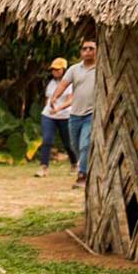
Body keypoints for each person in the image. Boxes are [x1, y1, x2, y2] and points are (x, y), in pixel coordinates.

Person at [48, 40, 97, 188]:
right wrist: (54, 97)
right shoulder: (74, 69)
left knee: (84, 144)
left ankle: (82, 175)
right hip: (75, 114)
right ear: (81, 52)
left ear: (97, 51)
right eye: (84, 49)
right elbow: (63, 84)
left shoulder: (101, 69)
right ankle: (85, 166)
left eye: (91, 48)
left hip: (91, 113)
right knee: (75, 145)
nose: (87, 51)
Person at [37, 57, 76, 177]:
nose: (54, 71)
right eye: (53, 69)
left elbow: (71, 100)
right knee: (47, 140)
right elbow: (47, 99)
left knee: (68, 143)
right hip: (49, 115)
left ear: (64, 69)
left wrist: (59, 109)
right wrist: (48, 109)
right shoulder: (51, 83)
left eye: (57, 69)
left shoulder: (70, 84)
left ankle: (75, 164)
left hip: (65, 116)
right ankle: (44, 167)